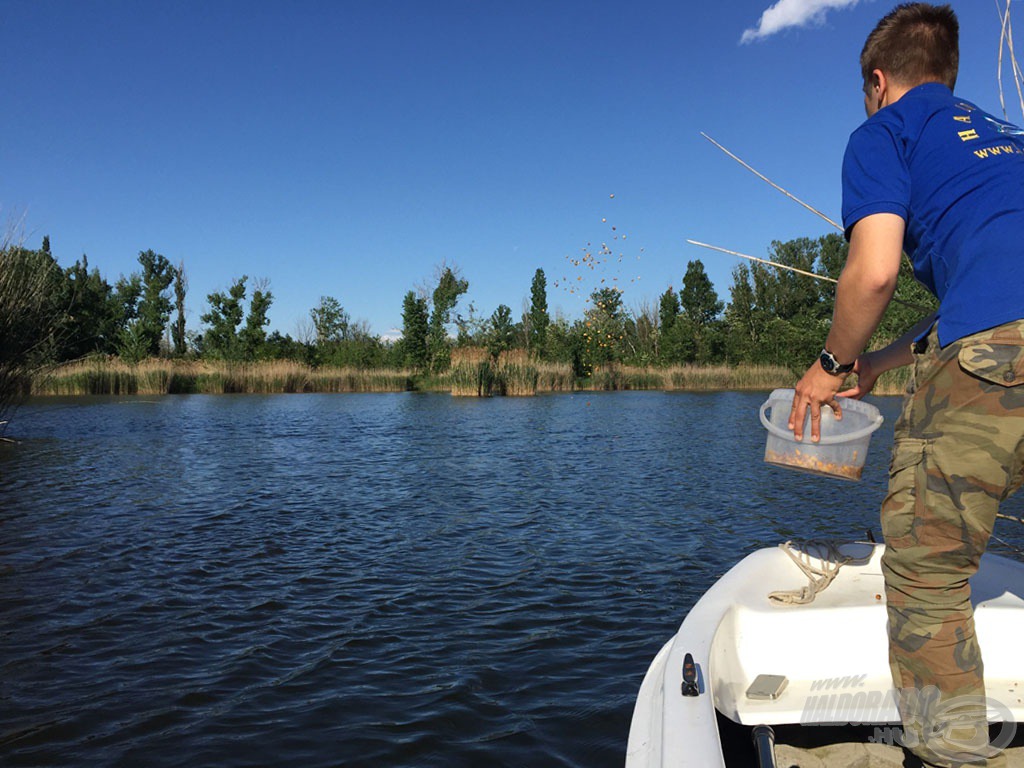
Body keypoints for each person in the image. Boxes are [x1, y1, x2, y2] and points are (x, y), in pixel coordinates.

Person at [787, 3, 1024, 766]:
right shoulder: (1007, 140)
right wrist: (876, 365)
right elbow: (988, 293)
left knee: (926, 569)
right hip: (995, 333)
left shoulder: (884, 133)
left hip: (992, 360)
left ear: (879, 82)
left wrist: (826, 367)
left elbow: (877, 268)